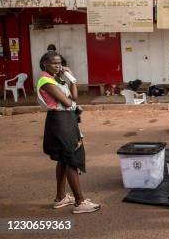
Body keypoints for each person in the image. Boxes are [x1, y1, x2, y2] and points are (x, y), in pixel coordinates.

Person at [37, 51, 100, 214]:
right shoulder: (45, 80)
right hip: (59, 121)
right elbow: (66, 102)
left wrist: (71, 78)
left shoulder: (58, 79)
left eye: (59, 63)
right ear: (45, 63)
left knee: (64, 160)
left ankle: (60, 198)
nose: (58, 66)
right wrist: (71, 103)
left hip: (66, 119)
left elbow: (75, 97)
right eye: (54, 63)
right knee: (71, 158)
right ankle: (80, 203)